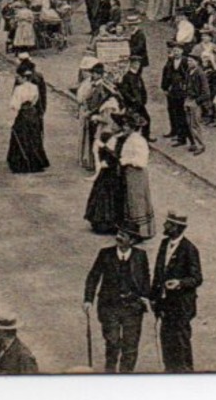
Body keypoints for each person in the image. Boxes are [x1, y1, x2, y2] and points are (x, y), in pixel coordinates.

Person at [83, 226, 152, 372]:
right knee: (112, 342)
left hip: (133, 307)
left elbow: (146, 278)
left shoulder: (141, 256)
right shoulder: (105, 254)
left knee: (130, 346)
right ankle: (110, 372)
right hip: (109, 306)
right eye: (119, 234)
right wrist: (88, 300)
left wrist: (146, 297)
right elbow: (93, 277)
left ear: (132, 241)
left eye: (124, 235)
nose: (118, 237)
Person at [151, 211, 203, 372]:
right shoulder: (164, 244)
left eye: (169, 224)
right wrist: (154, 297)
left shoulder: (190, 249)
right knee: (166, 338)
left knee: (180, 341)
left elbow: (197, 278)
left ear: (177, 228)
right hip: (165, 304)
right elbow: (158, 272)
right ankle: (169, 371)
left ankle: (185, 373)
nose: (165, 226)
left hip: (181, 306)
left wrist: (180, 283)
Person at [6, 64, 50, 174]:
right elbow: (35, 100)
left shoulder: (18, 89)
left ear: (24, 78)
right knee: (33, 137)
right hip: (32, 113)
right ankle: (36, 162)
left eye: (19, 78)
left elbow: (15, 105)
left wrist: (11, 120)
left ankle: (22, 164)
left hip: (22, 114)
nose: (18, 80)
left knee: (22, 138)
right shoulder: (34, 87)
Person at [118, 115, 155, 240]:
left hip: (136, 173)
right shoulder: (130, 138)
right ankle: (132, 229)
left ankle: (140, 232)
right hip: (130, 173)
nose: (123, 127)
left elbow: (141, 161)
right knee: (131, 200)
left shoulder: (138, 141)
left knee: (137, 200)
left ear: (132, 127)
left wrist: (126, 161)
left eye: (126, 125)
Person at [84, 125, 126, 235]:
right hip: (109, 172)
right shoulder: (114, 137)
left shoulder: (117, 138)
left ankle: (106, 222)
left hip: (110, 171)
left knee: (107, 195)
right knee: (106, 195)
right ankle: (104, 222)